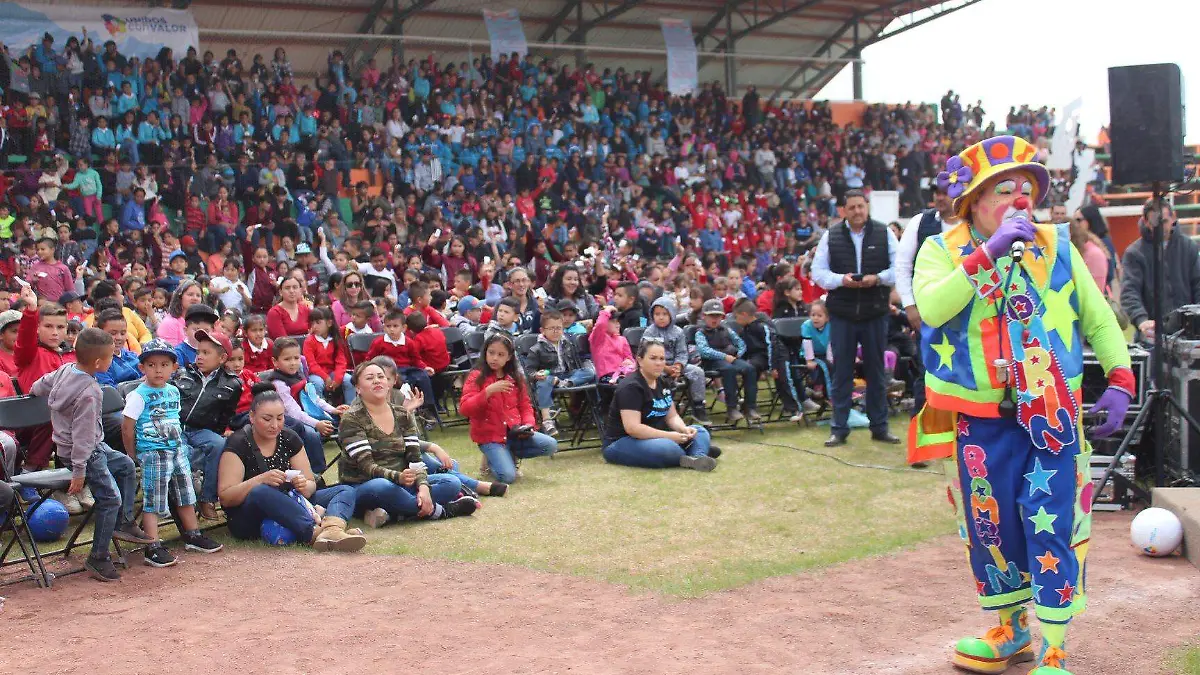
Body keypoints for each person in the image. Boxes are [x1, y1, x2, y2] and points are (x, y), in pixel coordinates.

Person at [911, 136, 1134, 675]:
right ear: (974, 201)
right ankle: (1012, 634)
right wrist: (986, 255)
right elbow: (933, 307)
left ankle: (1054, 650)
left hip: (1051, 417)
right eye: (1004, 189)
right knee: (992, 529)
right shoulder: (940, 250)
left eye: (1026, 190)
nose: (1019, 200)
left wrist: (1121, 378)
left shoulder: (1058, 245)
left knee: (1052, 524)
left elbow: (1099, 317)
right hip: (981, 424)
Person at [30, 329, 152, 582]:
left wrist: (34, 389)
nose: (111, 360)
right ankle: (98, 556)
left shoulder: (66, 370)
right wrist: (79, 472)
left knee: (126, 466)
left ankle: (124, 522)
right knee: (110, 499)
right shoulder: (90, 392)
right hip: (84, 453)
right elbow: (83, 436)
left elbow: (41, 383)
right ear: (99, 363)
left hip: (89, 447)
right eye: (110, 357)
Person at [217, 383, 367, 551]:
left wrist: (303, 485)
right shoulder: (238, 443)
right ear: (252, 417)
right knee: (261, 491)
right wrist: (260, 480)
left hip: (293, 499)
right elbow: (226, 497)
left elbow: (310, 485)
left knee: (344, 490)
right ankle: (314, 533)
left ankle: (333, 529)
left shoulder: (289, 437)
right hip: (249, 516)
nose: (275, 425)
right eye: (267, 419)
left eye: (280, 418)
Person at [120, 339, 224, 568]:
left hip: (176, 450)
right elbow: (127, 426)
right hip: (153, 452)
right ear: (142, 367)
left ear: (174, 367)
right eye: (152, 365)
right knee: (154, 499)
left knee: (185, 492)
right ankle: (153, 545)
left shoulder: (173, 391)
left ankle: (193, 534)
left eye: (164, 364)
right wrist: (132, 453)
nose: (158, 370)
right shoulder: (139, 395)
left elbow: (175, 421)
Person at [338, 360, 480, 525]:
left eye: (380, 376)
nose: (377, 380)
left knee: (452, 483)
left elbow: (415, 458)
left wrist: (424, 487)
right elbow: (366, 466)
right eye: (370, 378)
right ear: (358, 388)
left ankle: (396, 513)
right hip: (367, 486)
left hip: (403, 484)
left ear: (388, 383)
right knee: (382, 486)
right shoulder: (352, 418)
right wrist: (398, 477)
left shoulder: (402, 414)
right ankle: (440, 511)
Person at [811, 189, 900, 447]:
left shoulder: (884, 233)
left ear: (867, 206)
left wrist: (878, 279)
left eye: (861, 206)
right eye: (852, 208)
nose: (857, 212)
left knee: (876, 372)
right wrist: (841, 281)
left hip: (875, 312)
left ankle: (880, 427)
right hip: (843, 315)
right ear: (843, 210)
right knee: (841, 373)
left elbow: (899, 267)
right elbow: (818, 272)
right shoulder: (831, 235)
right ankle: (839, 429)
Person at [895, 183, 960, 423]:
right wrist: (910, 307)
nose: (940, 197)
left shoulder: (974, 224)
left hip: (965, 314)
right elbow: (902, 267)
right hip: (928, 313)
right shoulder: (920, 223)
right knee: (927, 374)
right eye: (937, 192)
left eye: (946, 193)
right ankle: (922, 435)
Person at [602, 339, 718, 471]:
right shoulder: (630, 387)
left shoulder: (663, 382)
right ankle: (693, 450)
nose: (658, 363)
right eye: (653, 358)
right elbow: (633, 429)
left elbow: (671, 417)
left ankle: (697, 457)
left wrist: (683, 429)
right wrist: (669, 436)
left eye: (662, 359)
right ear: (639, 360)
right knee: (667, 448)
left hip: (656, 438)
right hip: (622, 441)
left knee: (700, 431)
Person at [458, 333, 557, 484]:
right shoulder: (476, 376)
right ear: (485, 353)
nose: (495, 358)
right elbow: (465, 409)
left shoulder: (515, 377)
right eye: (491, 353)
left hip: (515, 432)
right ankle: (492, 462)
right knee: (508, 477)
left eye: (500, 354)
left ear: (509, 357)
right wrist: (488, 391)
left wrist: (528, 425)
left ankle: (507, 454)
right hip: (490, 436)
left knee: (550, 445)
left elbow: (525, 406)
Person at [173, 329, 242, 521]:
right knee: (184, 452)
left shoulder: (232, 384)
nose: (200, 357)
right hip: (176, 427)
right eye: (198, 352)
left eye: (206, 353)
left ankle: (207, 498)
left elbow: (225, 415)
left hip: (201, 430)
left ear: (221, 359)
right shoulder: (182, 373)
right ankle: (184, 501)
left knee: (219, 444)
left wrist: (217, 434)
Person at [1119, 199, 1200, 344]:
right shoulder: (1134, 253)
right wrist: (1141, 319)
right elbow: (1130, 291)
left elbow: (1198, 284)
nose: (1159, 227)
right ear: (1146, 222)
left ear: (1173, 217)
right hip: (1150, 337)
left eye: (1163, 221)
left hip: (1188, 335)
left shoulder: (1189, 247)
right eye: (1154, 223)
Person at [523, 309, 595, 437]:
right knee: (543, 382)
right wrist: (536, 375)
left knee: (589, 371)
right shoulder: (536, 349)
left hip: (568, 376)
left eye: (559, 328)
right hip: (549, 377)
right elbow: (529, 371)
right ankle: (547, 420)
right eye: (551, 328)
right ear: (542, 330)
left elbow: (577, 363)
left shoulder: (568, 343)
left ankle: (567, 383)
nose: (556, 331)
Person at [642, 297, 710, 425]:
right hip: (656, 366)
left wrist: (678, 366)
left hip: (676, 365)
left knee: (697, 372)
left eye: (664, 314)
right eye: (657, 314)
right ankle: (662, 411)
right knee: (659, 378)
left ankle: (698, 406)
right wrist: (666, 367)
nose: (661, 317)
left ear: (672, 315)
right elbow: (648, 355)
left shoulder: (678, 332)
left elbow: (682, 352)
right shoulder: (649, 332)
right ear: (652, 315)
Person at [694, 299, 758, 425]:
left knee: (750, 369)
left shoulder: (727, 329)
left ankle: (750, 406)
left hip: (730, 358)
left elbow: (740, 343)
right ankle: (732, 407)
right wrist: (724, 356)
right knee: (729, 370)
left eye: (718, 316)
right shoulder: (700, 333)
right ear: (704, 316)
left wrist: (739, 354)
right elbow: (704, 351)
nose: (715, 319)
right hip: (712, 362)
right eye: (711, 316)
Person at [303, 306, 354, 404]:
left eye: (318, 323)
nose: (314, 326)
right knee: (317, 383)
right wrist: (326, 378)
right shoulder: (309, 341)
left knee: (348, 380)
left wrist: (338, 378)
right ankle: (321, 410)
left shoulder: (336, 339)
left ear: (329, 323)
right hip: (315, 374)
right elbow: (311, 364)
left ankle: (350, 408)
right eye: (312, 323)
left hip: (332, 372)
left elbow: (341, 362)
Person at [155, 280, 204, 346]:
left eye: (198, 295)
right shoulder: (169, 322)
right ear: (180, 297)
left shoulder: (204, 322)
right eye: (190, 294)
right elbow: (172, 353)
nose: (195, 298)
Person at [173, 303, 219, 368]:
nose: (202, 334)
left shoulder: (216, 351)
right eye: (196, 329)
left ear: (213, 331)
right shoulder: (179, 353)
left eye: (207, 331)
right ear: (185, 330)